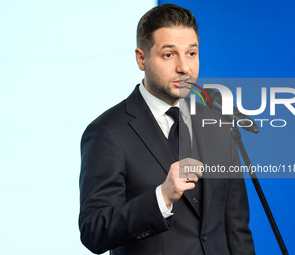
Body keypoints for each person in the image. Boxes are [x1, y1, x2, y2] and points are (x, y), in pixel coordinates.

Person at [79, 3, 255, 255]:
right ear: (142, 58)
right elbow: (94, 231)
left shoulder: (218, 124)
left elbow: (236, 228)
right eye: (169, 54)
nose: (184, 67)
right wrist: (161, 196)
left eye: (191, 53)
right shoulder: (107, 132)